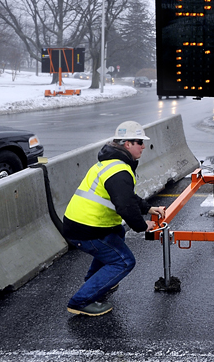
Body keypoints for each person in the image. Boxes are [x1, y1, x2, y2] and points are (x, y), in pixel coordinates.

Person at [63, 121, 166, 316]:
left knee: (118, 233)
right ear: (127, 144)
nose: (143, 146)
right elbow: (125, 206)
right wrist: (143, 226)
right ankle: (81, 302)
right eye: (139, 142)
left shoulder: (113, 164)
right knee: (124, 261)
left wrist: (148, 208)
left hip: (86, 224)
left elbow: (127, 197)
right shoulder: (118, 170)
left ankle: (96, 281)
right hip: (85, 230)